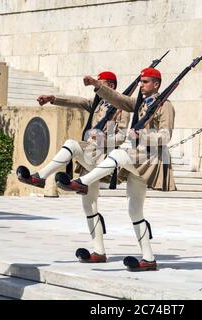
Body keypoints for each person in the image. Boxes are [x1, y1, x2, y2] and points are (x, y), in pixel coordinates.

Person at [66, 67, 176, 271]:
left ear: (156, 85)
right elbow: (119, 99)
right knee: (134, 210)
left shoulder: (165, 106)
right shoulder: (140, 103)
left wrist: (141, 136)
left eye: (145, 82)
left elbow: (166, 136)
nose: (141, 85)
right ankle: (148, 258)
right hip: (136, 157)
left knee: (117, 154)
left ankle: (83, 181)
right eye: (141, 81)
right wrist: (98, 86)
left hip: (149, 160)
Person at [17, 71, 130, 263]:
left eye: (99, 83)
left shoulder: (121, 106)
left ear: (110, 86)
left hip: (102, 157)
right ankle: (99, 252)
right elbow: (76, 101)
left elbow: (122, 136)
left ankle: (41, 177)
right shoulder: (97, 103)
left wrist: (104, 138)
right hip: (90, 159)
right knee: (90, 207)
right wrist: (53, 98)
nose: (96, 87)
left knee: (71, 144)